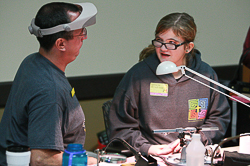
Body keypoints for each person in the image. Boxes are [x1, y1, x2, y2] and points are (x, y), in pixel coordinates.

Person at [108, 12, 231, 156]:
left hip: (193, 155)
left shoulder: (205, 75)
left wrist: (197, 140)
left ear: (188, 47)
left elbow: (218, 120)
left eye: (172, 43)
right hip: (151, 156)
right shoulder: (138, 76)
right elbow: (120, 127)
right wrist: (147, 148)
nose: (163, 48)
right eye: (159, 41)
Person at [0, 2, 97, 165]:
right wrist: (95, 162)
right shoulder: (49, 90)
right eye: (81, 33)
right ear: (61, 44)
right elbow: (41, 159)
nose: (85, 37)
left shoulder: (33, 61)